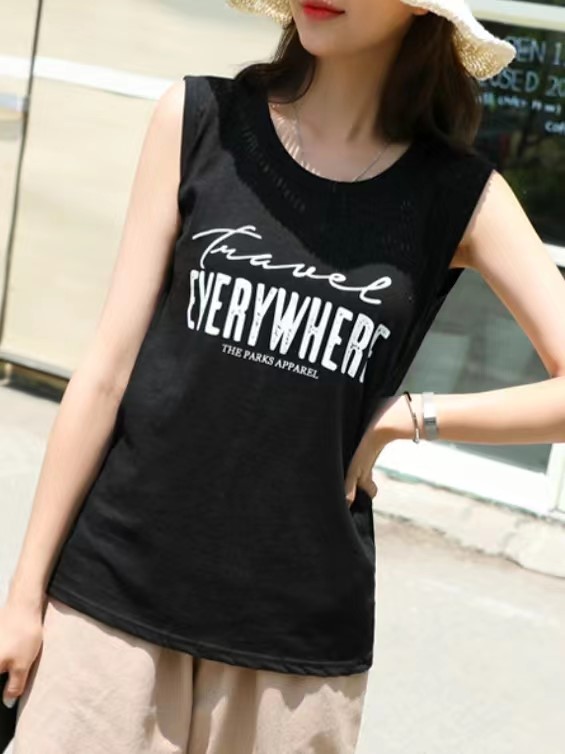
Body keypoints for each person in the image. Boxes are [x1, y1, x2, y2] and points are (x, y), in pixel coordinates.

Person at [2, 0, 565, 751]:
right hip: (110, 605)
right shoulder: (199, 120)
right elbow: (105, 372)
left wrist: (410, 417)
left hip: (292, 650)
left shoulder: (458, 195)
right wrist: (23, 594)